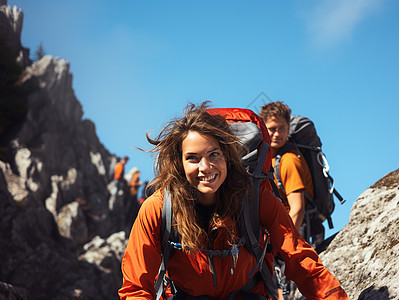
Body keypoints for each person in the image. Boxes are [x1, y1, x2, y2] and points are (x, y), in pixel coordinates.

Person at [118, 102, 348, 299]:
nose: (205, 167)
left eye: (214, 154)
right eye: (192, 158)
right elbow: (136, 287)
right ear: (179, 163)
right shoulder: (158, 208)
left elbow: (301, 261)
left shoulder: (255, 199)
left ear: (228, 156)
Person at [259, 101, 316, 300]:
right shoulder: (268, 159)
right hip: (281, 232)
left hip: (294, 232)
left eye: (281, 128)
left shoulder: (289, 160)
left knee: (289, 292)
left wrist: (281, 245)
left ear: (288, 128)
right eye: (271, 129)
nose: (276, 134)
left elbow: (298, 208)